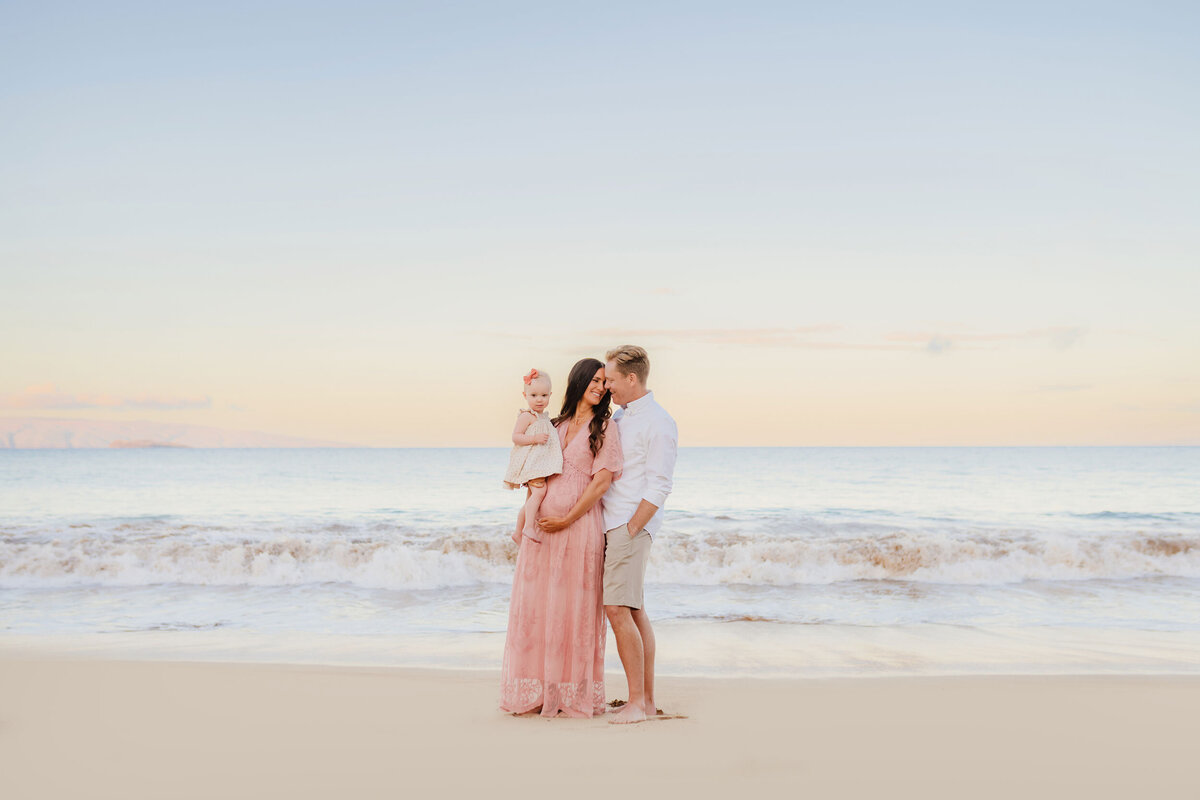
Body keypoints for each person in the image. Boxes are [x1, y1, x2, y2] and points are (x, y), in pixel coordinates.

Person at [499, 358, 623, 718]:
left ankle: (572, 696)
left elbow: (601, 482)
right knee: (539, 605)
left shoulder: (605, 427)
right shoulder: (553, 425)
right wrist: (529, 518)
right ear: (579, 381)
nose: (601, 388)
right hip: (542, 528)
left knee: (575, 608)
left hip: (579, 527)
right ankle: (539, 692)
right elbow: (533, 472)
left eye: (605, 383)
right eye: (595, 380)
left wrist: (568, 517)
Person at [601, 345, 678, 725]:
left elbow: (660, 484)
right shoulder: (621, 416)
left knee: (616, 609)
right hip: (615, 523)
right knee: (633, 610)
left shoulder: (659, 422)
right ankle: (644, 700)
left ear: (632, 378)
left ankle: (636, 704)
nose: (607, 385)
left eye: (612, 379)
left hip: (629, 526)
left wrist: (633, 527)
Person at [503, 368, 563, 543]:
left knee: (530, 500)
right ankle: (528, 527)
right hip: (532, 464)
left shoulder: (544, 418)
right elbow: (516, 437)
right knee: (540, 491)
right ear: (525, 395)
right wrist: (534, 438)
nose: (539, 399)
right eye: (534, 395)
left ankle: (517, 532)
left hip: (540, 465)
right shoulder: (527, 416)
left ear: (550, 395)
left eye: (544, 395)